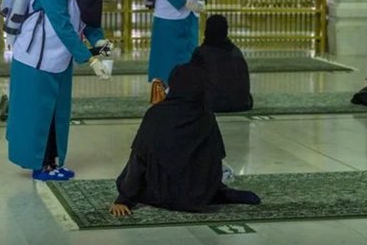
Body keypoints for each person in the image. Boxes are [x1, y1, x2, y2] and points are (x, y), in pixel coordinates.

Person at [7, 0, 113, 182]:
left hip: (60, 59)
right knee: (37, 116)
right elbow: (63, 27)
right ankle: (40, 167)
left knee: (57, 115)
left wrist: (100, 42)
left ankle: (52, 162)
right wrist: (91, 60)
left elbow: (88, 19)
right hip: (35, 60)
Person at [109, 63, 260, 217]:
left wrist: (124, 198)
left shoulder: (156, 114)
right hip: (199, 195)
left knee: (136, 169)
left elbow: (139, 159)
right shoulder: (206, 116)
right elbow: (215, 159)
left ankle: (217, 193)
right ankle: (220, 193)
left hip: (162, 194)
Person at [190, 14, 253, 113]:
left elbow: (191, 80)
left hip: (212, 103)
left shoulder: (201, 53)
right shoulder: (235, 51)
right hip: (241, 103)